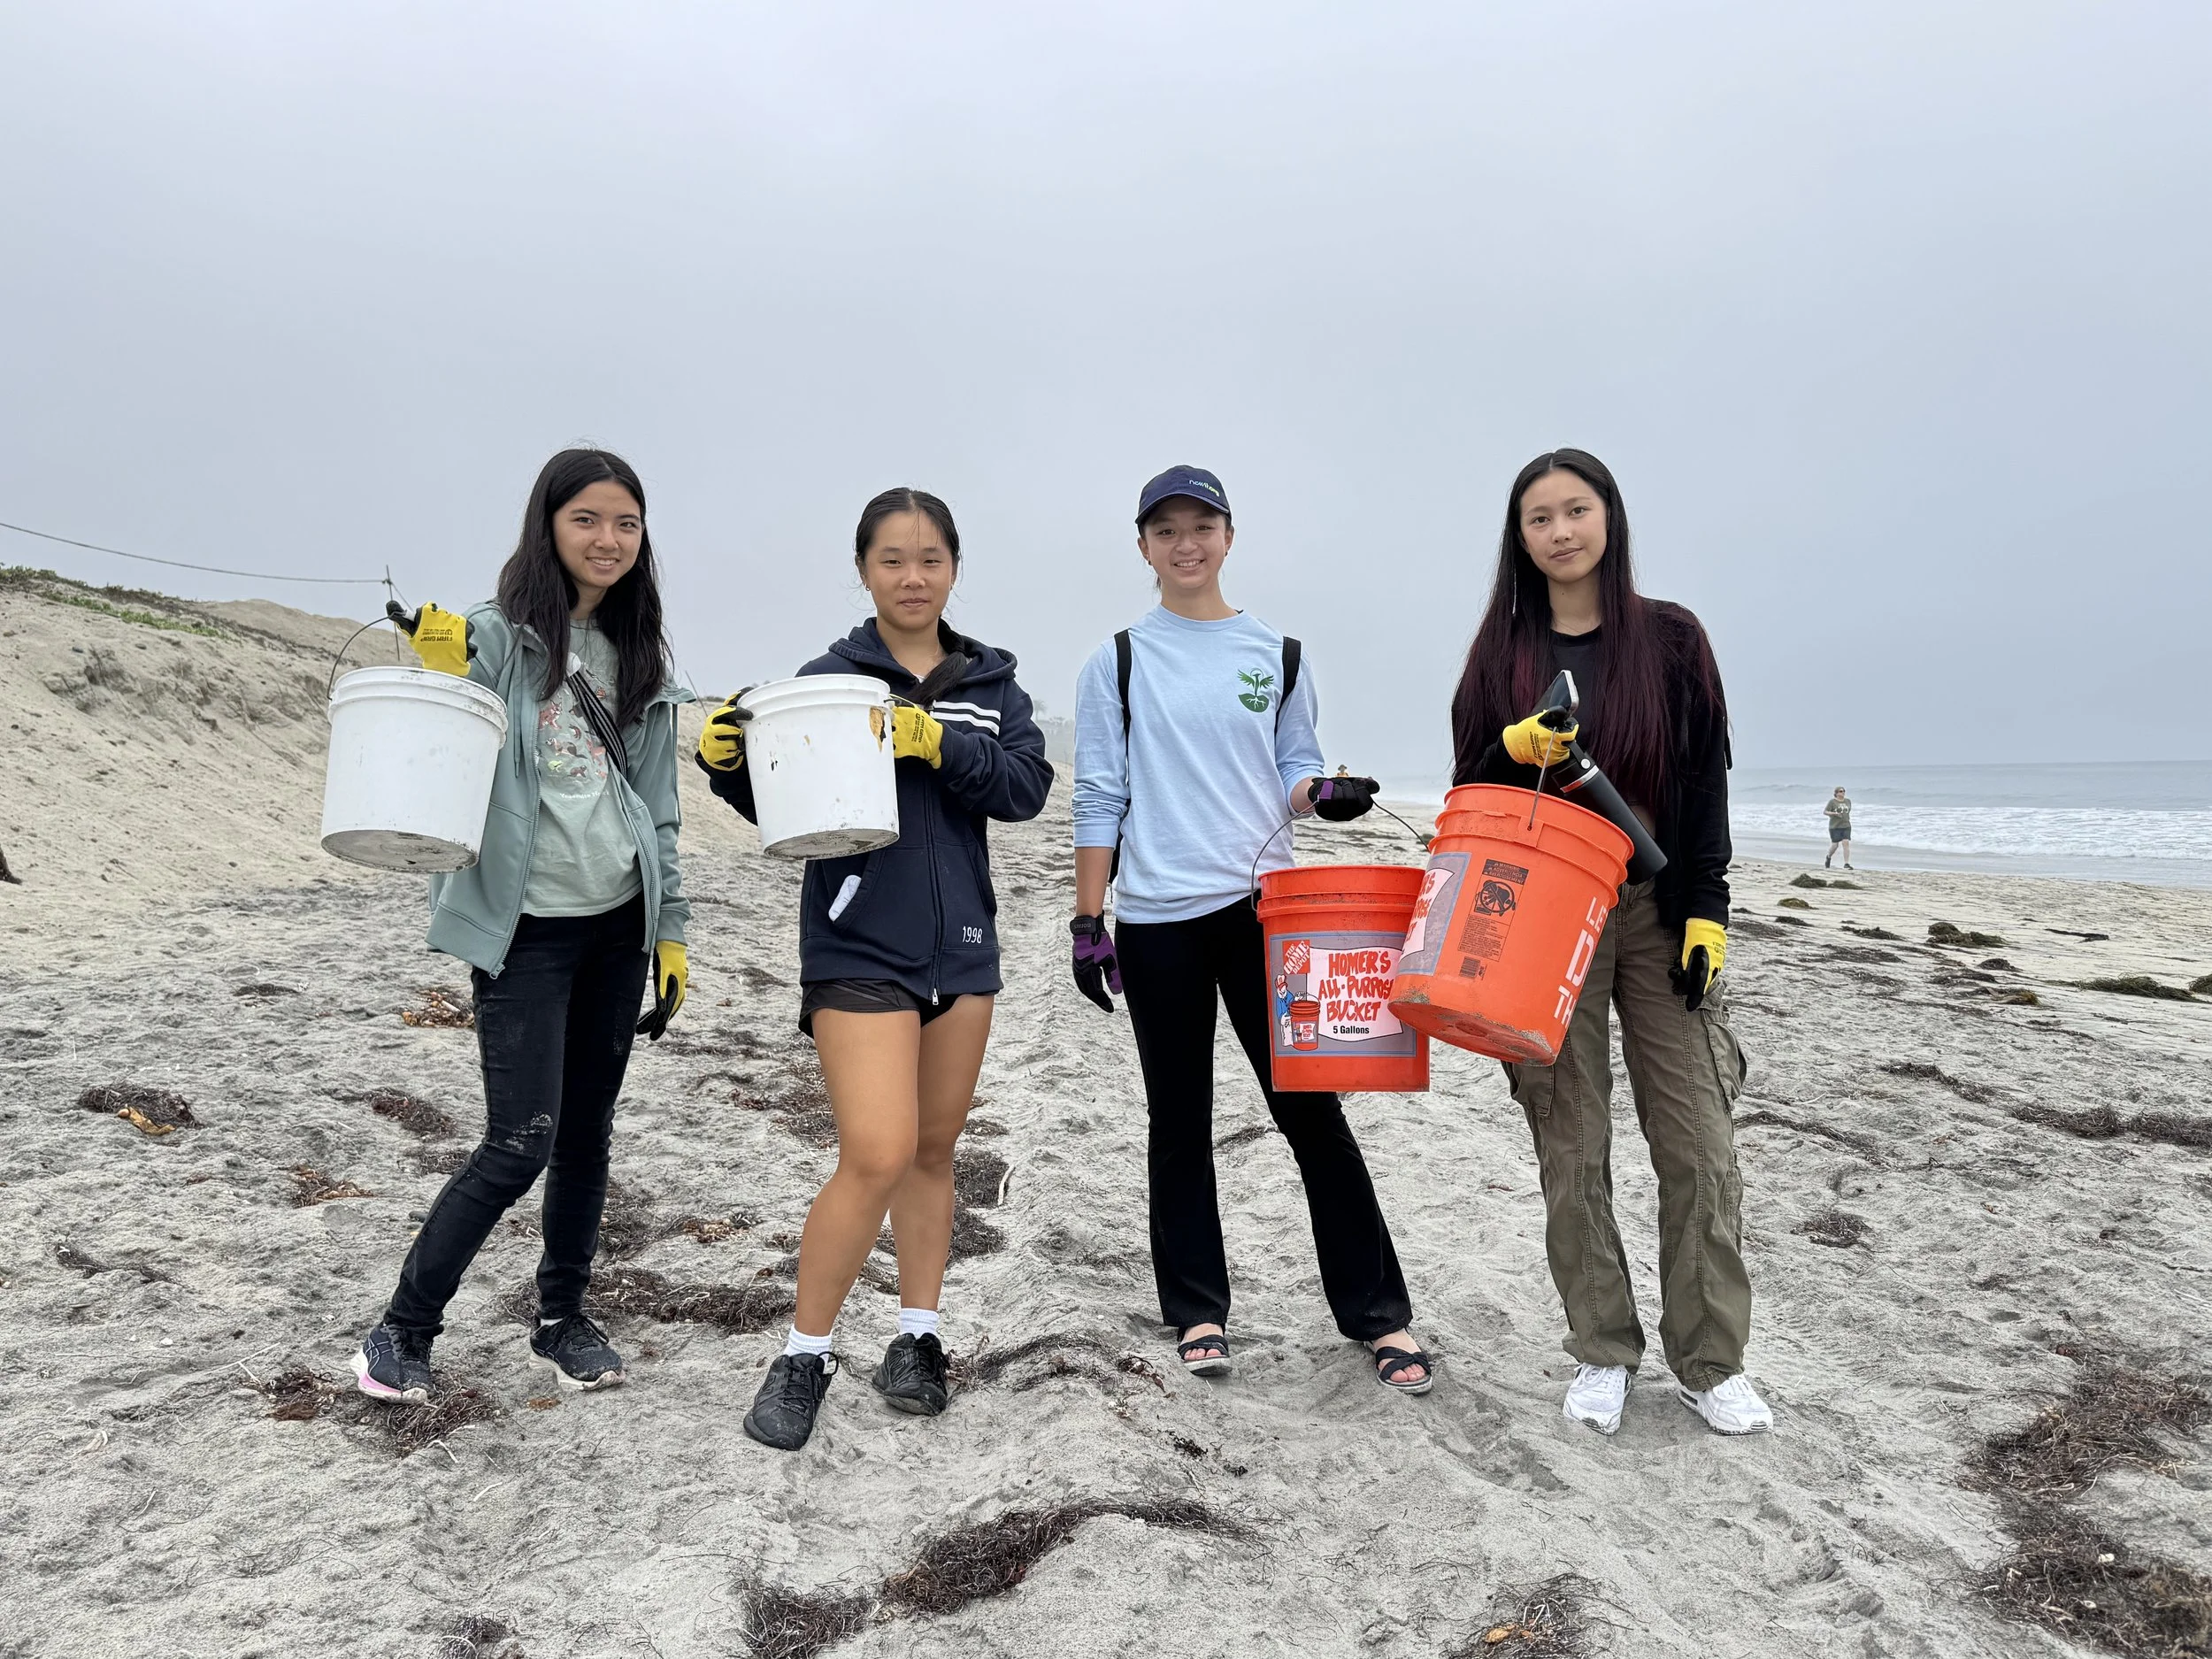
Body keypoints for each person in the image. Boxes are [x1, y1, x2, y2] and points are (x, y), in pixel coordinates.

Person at [699, 488, 1051, 1451]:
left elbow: (1024, 788)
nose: (912, 576)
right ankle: (803, 1353)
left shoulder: (993, 684)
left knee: (934, 1155)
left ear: (953, 569)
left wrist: (941, 743)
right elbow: (784, 800)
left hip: (964, 951)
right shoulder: (828, 679)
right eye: (892, 558)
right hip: (856, 946)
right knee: (877, 1151)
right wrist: (728, 763)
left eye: (930, 558)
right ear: (863, 570)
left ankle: (917, 1339)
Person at [1070, 465, 1432, 1395]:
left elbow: (1294, 775)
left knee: (1310, 1111)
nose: (1185, 544)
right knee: (1178, 1120)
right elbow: (1100, 794)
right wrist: (1087, 916)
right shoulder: (1116, 659)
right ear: (1142, 545)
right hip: (1156, 918)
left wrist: (1329, 796)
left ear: (1228, 535)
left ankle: (1379, 1316)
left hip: (1268, 914)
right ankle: (1197, 1308)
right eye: (1165, 529)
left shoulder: (1278, 653)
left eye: (1202, 525)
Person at [352, 448, 692, 1403]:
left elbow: (659, 809)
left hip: (618, 926)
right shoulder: (504, 637)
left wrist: (672, 931)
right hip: (526, 932)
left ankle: (561, 1319)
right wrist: (445, 655)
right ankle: (400, 1332)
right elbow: (448, 707)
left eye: (626, 523)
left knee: (588, 1138)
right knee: (518, 1143)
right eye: (587, 518)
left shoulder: (645, 656)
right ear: (548, 524)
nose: (608, 539)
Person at [1450, 448, 1768, 1437]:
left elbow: (1705, 784)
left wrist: (1707, 908)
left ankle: (1710, 1361)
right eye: (1538, 517)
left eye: (1574, 510)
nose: (1559, 531)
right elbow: (1466, 788)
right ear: (1520, 538)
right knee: (1571, 1142)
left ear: (1608, 518)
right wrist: (1508, 748)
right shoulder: (1500, 653)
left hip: (1658, 912)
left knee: (1698, 1144)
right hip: (1547, 921)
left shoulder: (1671, 640)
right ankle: (1602, 1350)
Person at [1824, 787, 1854, 869]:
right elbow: (1825, 812)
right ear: (1836, 793)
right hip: (1835, 826)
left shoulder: (1848, 801)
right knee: (1835, 845)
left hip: (1846, 825)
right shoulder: (1832, 802)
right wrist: (1834, 814)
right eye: (1841, 791)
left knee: (1846, 842)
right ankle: (1828, 857)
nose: (1843, 792)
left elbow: (1847, 812)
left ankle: (1846, 864)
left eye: (1844, 791)